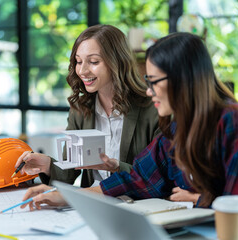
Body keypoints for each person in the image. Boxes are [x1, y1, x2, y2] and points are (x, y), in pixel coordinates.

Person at [21, 32, 238, 231]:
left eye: (154, 82)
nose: (149, 90)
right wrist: (68, 196)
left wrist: (200, 200)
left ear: (182, 79)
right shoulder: (177, 128)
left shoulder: (235, 121)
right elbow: (138, 179)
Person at [15, 24, 161, 188]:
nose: (82, 70)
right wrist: (47, 164)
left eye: (93, 61)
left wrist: (117, 167)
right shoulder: (80, 109)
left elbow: (157, 177)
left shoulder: (153, 108)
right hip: (92, 202)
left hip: (136, 203)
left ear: (118, 62)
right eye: (78, 61)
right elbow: (69, 173)